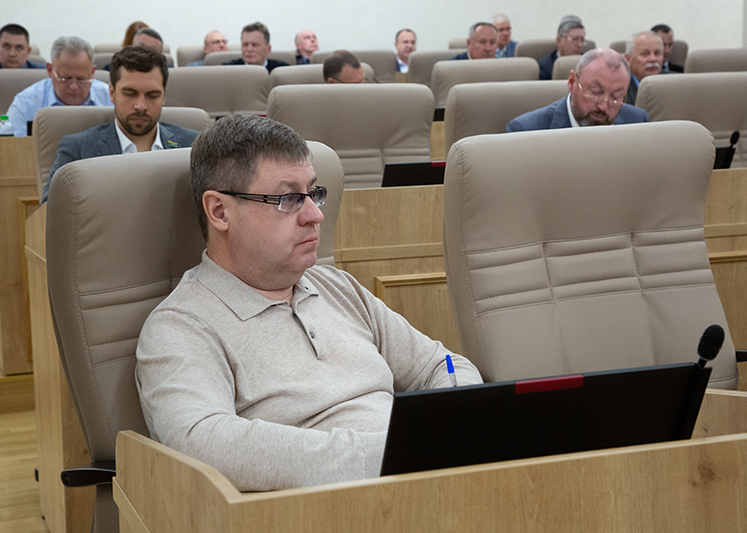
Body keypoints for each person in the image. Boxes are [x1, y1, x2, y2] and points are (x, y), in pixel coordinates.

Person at [135, 114, 483, 492]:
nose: (315, 215)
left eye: (313, 193)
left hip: (428, 482)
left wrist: (454, 423)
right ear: (219, 211)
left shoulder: (336, 286)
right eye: (288, 199)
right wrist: (397, 451)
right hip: (325, 507)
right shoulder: (180, 326)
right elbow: (203, 442)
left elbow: (443, 363)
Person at [43, 46, 199, 203]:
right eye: (130, 94)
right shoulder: (79, 149)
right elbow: (50, 211)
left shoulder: (192, 146)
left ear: (163, 96)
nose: (140, 106)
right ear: (112, 93)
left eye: (152, 95)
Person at [506, 48, 649, 132]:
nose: (604, 106)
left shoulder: (637, 122)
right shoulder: (527, 130)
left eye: (616, 96)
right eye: (595, 92)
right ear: (572, 82)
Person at [5, 36, 112, 137]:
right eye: (65, 78)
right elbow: (8, 146)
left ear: (92, 73)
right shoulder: (27, 102)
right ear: (50, 70)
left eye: (81, 79)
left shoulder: (110, 98)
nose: (73, 86)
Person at [222, 22, 289, 73]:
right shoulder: (228, 70)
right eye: (245, 45)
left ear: (268, 49)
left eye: (255, 45)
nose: (249, 49)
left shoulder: (282, 71)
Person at [538, 15, 585, 80]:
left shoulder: (588, 63)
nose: (580, 45)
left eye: (582, 40)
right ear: (559, 40)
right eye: (574, 39)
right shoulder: (545, 68)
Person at [623, 31, 663, 105]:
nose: (653, 59)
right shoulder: (620, 90)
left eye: (657, 53)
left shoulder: (673, 84)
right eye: (644, 54)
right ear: (628, 59)